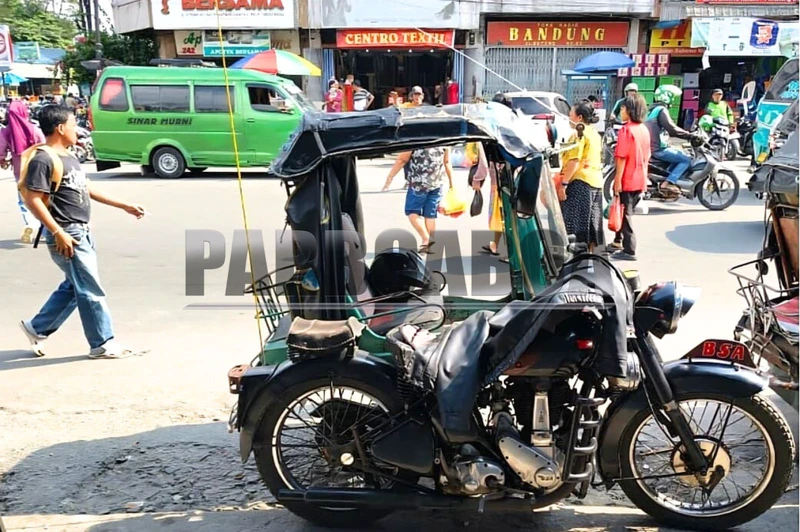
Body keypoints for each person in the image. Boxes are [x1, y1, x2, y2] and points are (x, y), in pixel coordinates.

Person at [18, 105, 146, 359]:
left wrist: (124, 205)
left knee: (75, 286)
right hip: (66, 233)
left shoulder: (69, 156)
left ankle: (37, 327)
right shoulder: (44, 159)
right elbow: (33, 199)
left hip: (78, 231)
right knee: (90, 289)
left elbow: (85, 188)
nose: (78, 130)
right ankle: (102, 343)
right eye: (74, 124)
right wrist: (58, 232)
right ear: (60, 128)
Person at [382, 145, 454, 255]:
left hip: (418, 185)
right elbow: (447, 162)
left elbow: (402, 159)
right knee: (430, 214)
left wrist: (390, 177)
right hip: (436, 184)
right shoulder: (444, 142)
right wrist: (451, 183)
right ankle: (431, 243)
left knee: (412, 212)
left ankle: (426, 239)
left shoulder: (416, 139)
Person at [554, 101, 604, 252]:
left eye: (570, 115)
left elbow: (574, 161)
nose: (569, 118)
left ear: (579, 117)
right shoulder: (594, 133)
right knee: (592, 224)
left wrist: (564, 184)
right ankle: (591, 258)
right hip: (596, 182)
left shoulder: (579, 134)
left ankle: (577, 260)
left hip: (580, 183)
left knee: (575, 226)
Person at [611, 95, 651, 261]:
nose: (621, 111)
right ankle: (617, 242)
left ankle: (630, 249)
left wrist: (617, 181)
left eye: (622, 108)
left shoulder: (626, 130)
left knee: (625, 214)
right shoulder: (643, 129)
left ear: (630, 110)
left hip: (628, 177)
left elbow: (621, 157)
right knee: (626, 212)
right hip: (640, 177)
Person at [0, 100, 46, 243]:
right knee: (42, 199)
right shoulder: (34, 129)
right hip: (38, 170)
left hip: (20, 173)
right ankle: (44, 230)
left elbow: (1, 150)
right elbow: (45, 147)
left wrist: (3, 160)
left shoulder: (6, 131)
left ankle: (30, 224)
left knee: (23, 200)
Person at [645, 84, 695, 194]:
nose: (673, 100)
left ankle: (665, 178)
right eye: (672, 97)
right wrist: (690, 136)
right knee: (686, 159)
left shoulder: (653, 109)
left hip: (653, 147)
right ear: (667, 96)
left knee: (678, 154)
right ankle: (668, 183)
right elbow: (672, 129)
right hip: (659, 149)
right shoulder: (661, 110)